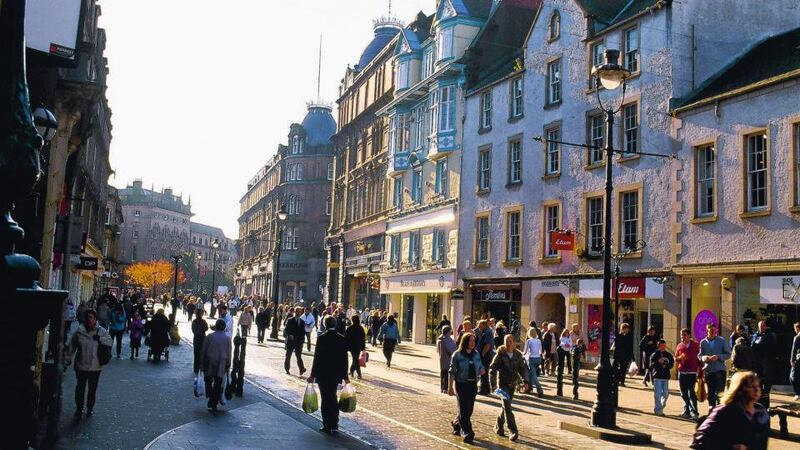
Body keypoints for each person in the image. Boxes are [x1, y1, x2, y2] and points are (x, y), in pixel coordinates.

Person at [689, 371, 769, 450]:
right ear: (739, 389)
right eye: (751, 386)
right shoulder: (726, 410)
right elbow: (700, 438)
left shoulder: (761, 412)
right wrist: (731, 447)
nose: (756, 389)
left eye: (757, 386)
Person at [64, 309, 112, 417]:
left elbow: (109, 341)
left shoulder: (101, 331)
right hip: (81, 366)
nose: (89, 320)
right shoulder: (79, 332)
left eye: (91, 317)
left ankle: (90, 408)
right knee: (80, 389)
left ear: (95, 319)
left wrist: (100, 339)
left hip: (95, 367)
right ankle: (79, 409)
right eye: (87, 317)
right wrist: (65, 361)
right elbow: (71, 348)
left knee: (92, 390)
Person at [308, 315, 350, 434]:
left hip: (323, 374)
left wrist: (312, 375)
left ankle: (327, 424)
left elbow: (317, 358)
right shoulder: (341, 338)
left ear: (325, 325)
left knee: (325, 399)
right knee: (333, 397)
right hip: (336, 374)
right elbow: (344, 359)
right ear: (335, 324)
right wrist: (345, 376)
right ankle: (334, 422)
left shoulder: (321, 338)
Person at [489, 335, 527, 442]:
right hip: (502, 385)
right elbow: (492, 369)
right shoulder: (501, 354)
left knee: (506, 407)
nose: (508, 343)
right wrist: (493, 385)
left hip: (512, 384)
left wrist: (526, 381)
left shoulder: (518, 355)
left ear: (514, 343)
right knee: (507, 406)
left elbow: (522, 369)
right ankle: (513, 430)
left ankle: (498, 426)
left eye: (510, 341)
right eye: (506, 341)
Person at [448, 332, 484, 444]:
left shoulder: (476, 354)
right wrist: (450, 387)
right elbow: (452, 371)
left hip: (473, 385)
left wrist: (482, 370)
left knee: (469, 409)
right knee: (463, 409)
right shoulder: (457, 355)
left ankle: (456, 424)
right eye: (470, 341)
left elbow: (480, 365)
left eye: (474, 341)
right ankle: (468, 433)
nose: (472, 343)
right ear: (465, 342)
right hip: (461, 384)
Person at [200, 319, 232, 413]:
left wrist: (201, 363)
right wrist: (228, 365)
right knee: (218, 383)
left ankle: (210, 395)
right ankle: (213, 402)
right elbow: (229, 353)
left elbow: (203, 350)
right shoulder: (227, 339)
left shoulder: (209, 336)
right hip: (222, 362)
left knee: (208, 380)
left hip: (210, 360)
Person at [699, 322, 731, 411]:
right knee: (711, 393)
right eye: (710, 328)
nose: (712, 330)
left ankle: (720, 411)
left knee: (720, 393)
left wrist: (718, 357)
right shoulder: (703, 342)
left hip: (720, 371)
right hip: (709, 371)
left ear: (716, 330)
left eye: (713, 329)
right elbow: (700, 356)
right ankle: (711, 411)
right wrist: (704, 357)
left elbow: (728, 354)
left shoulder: (721, 340)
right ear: (707, 329)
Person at [750, 320, 776, 408]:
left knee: (766, 380)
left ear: (765, 326)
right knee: (758, 381)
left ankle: (766, 401)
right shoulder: (755, 335)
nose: (761, 327)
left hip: (766, 360)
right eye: (760, 326)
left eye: (763, 326)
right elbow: (751, 345)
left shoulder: (769, 335)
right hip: (757, 361)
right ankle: (758, 400)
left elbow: (772, 347)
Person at [675, 328, 700, 419]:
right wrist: (679, 358)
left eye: (685, 335)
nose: (683, 337)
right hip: (682, 371)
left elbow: (699, 358)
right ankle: (687, 411)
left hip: (692, 371)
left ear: (689, 335)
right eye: (681, 335)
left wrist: (701, 371)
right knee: (683, 393)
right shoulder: (679, 346)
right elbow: (676, 358)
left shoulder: (696, 345)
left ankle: (694, 412)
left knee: (691, 392)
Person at [649, 339, 674, 416]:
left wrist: (666, 365)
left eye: (664, 346)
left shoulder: (668, 355)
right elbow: (650, 365)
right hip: (657, 376)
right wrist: (657, 362)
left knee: (666, 394)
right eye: (661, 346)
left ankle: (662, 405)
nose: (663, 347)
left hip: (665, 377)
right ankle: (658, 410)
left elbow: (671, 364)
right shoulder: (654, 355)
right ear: (658, 346)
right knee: (658, 394)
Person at [283, 306, 307, 375]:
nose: (298, 313)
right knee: (288, 355)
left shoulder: (302, 322)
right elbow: (287, 329)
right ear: (294, 312)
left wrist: (302, 340)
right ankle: (287, 369)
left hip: (298, 342)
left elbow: (303, 332)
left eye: (299, 312)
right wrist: (289, 335)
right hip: (291, 341)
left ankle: (301, 369)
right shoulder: (290, 320)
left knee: (299, 356)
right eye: (297, 311)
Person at [522, 328, 544, 396]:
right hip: (538, 359)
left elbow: (525, 351)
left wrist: (522, 355)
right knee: (532, 374)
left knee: (534, 376)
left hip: (532, 359)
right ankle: (529, 388)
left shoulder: (529, 341)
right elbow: (540, 351)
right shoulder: (539, 340)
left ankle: (540, 390)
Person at [476, 320, 495, 395]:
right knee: (484, 373)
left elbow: (488, 344)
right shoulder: (486, 332)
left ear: (484, 325)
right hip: (485, 355)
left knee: (484, 373)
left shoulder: (487, 332)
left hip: (486, 356)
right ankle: (485, 389)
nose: (479, 328)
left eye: (480, 326)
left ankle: (485, 390)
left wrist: (483, 354)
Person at [611, 322, 634, 387]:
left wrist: (632, 357)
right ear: (622, 329)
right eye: (626, 329)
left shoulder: (629, 336)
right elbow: (616, 345)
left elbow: (630, 347)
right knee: (617, 369)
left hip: (625, 355)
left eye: (628, 329)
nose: (627, 330)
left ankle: (622, 381)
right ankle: (616, 380)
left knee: (623, 369)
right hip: (618, 355)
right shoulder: (618, 336)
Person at [437, 326, 457, 393]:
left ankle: (442, 388)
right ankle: (445, 388)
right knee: (446, 374)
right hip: (448, 359)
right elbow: (451, 350)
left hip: (442, 359)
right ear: (448, 331)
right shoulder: (447, 339)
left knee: (443, 373)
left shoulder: (440, 339)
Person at [192, 309, 209, 374]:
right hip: (202, 339)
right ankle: (200, 368)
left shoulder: (194, 321)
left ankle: (196, 369)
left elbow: (193, 330)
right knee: (202, 355)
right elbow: (206, 328)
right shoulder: (203, 321)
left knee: (196, 355)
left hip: (196, 339)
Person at [556, 328, 572, 396]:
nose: (566, 333)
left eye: (567, 332)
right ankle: (561, 369)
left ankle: (569, 369)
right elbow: (560, 343)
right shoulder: (562, 337)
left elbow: (571, 343)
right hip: (563, 350)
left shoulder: (569, 337)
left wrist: (568, 344)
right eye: (565, 332)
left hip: (568, 350)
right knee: (561, 361)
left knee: (569, 360)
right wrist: (564, 344)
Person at [790, 322, 800, 401]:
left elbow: (794, 350)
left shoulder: (797, 337)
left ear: (797, 328)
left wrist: (792, 360)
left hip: (797, 360)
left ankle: (797, 393)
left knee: (792, 377)